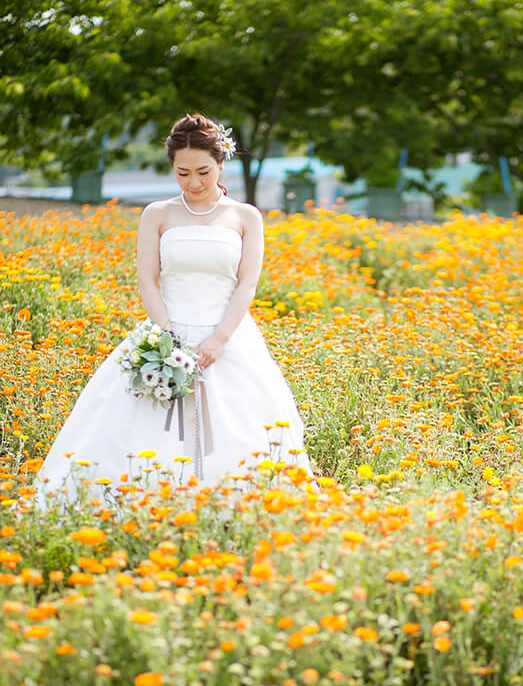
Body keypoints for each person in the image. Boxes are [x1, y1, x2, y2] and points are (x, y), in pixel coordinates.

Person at [35, 112, 316, 505]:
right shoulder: (157, 214)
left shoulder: (245, 216)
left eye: (203, 171)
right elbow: (148, 279)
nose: (194, 182)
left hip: (228, 333)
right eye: (182, 173)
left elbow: (247, 283)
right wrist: (165, 337)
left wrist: (218, 339)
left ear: (221, 163)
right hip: (166, 329)